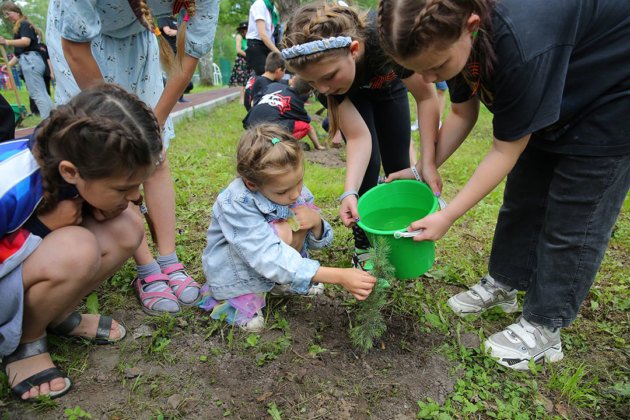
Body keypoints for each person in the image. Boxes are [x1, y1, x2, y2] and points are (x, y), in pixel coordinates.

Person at [378, 0, 630, 370]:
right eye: (420, 71)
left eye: (437, 68)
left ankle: (545, 327)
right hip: (556, 78)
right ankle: (505, 284)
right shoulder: (455, 32)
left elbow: (503, 149)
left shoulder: (521, 40)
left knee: (574, 217)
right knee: (523, 195)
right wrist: (422, 169)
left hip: (612, 90)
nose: (431, 80)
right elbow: (463, 111)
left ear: (472, 26)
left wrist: (447, 215)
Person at [46, 0, 220, 315]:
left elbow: (189, 55)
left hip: (136, 39)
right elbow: (75, 45)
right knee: (115, 156)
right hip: (80, 46)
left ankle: (168, 259)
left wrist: (155, 124)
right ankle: (146, 266)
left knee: (154, 155)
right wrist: (120, 126)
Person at [0, 84, 163, 401]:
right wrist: (40, 227)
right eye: (122, 188)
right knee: (76, 250)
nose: (133, 196)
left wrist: (92, 206)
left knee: (127, 227)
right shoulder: (10, 184)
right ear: (71, 171)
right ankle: (25, 345)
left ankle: (52, 315)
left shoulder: (72, 157)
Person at [281, 1, 440, 271]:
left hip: (388, 90)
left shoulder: (384, 40)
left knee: (398, 167)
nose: (322, 88)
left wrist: (427, 161)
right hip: (354, 98)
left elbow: (426, 97)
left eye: (328, 77)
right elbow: (358, 138)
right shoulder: (323, 76)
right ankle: (364, 245)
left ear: (353, 50)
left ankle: (402, 235)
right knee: (366, 174)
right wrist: (349, 192)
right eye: (313, 83)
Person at [199, 124, 376, 332]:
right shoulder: (236, 203)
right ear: (251, 184)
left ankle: (280, 283)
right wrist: (338, 275)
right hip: (239, 272)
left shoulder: (289, 188)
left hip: (274, 262)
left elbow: (322, 241)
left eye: (299, 182)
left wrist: (317, 223)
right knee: (282, 230)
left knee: (298, 219)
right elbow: (266, 255)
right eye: (283, 191)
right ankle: (239, 299)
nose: (294, 195)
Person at [0, 1, 53, 119]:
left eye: (8, 14)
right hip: (31, 60)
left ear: (17, 12)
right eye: (5, 15)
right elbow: (20, 53)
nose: (6, 17)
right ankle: (52, 119)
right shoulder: (21, 25)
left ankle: (47, 121)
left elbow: (25, 42)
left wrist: (6, 42)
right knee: (42, 93)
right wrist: (8, 65)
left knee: (38, 94)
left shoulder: (24, 24)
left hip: (31, 61)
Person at [244, 76, 326, 150]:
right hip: (270, 131)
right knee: (306, 127)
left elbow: (255, 100)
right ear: (307, 92)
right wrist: (318, 146)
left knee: (273, 119)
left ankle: (260, 140)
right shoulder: (296, 100)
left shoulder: (274, 85)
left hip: (250, 123)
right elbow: (307, 122)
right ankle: (278, 143)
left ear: (293, 80)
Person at [157, 13, 192, 103]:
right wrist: (182, 31)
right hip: (168, 50)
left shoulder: (176, 19)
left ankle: (180, 97)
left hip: (179, 49)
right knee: (171, 74)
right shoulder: (163, 18)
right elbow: (168, 31)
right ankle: (168, 99)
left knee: (180, 73)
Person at [245, 0, 281, 75]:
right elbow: (262, 35)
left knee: (274, 76)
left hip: (268, 45)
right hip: (257, 45)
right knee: (266, 77)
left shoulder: (272, 8)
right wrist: (279, 53)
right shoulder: (260, 4)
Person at [229, 21, 253, 105]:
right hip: (242, 59)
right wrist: (248, 55)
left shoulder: (250, 37)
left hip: (250, 60)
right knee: (242, 80)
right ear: (241, 30)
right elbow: (238, 49)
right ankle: (242, 99)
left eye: (246, 29)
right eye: (244, 29)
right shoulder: (239, 36)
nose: (245, 31)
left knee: (250, 78)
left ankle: (250, 97)